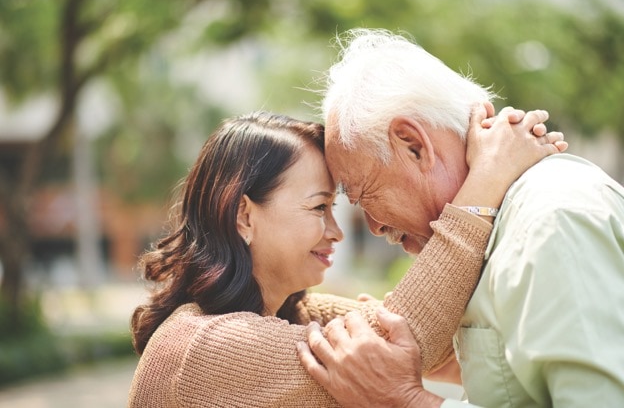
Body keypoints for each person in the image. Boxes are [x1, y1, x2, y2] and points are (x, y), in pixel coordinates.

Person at [127, 108, 562, 407]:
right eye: (319, 207)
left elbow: (435, 345)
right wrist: (487, 177)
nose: (335, 231)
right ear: (244, 215)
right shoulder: (202, 345)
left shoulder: (294, 313)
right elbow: (402, 339)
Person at [298, 28, 624, 407]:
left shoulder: (551, 221)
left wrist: (404, 401)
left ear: (414, 146)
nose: (374, 226)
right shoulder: (505, 230)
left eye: (363, 195)